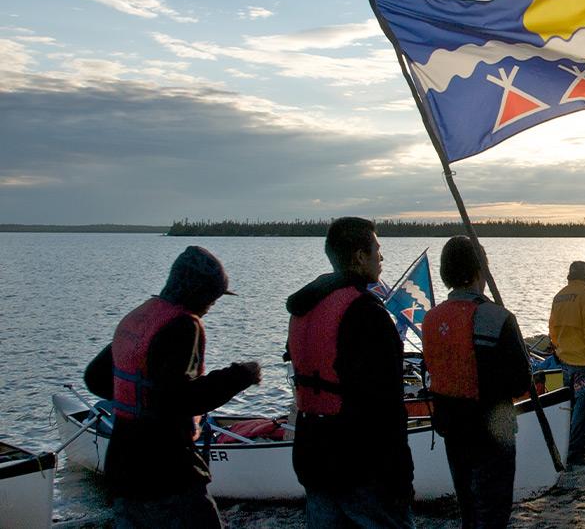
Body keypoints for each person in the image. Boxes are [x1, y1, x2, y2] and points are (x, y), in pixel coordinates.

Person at [83, 246, 261, 528]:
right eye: (211, 297)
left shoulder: (140, 317)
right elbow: (180, 399)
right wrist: (240, 376)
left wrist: (139, 402)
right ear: (196, 291)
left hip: (122, 462)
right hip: (165, 469)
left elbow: (95, 378)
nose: (211, 305)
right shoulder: (182, 326)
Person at [285, 217, 415, 528]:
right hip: (360, 464)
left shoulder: (305, 308)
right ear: (359, 256)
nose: (381, 259)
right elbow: (386, 405)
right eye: (377, 250)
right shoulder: (367, 314)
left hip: (313, 456)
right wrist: (401, 476)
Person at [422, 236, 532, 529]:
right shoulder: (499, 317)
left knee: (469, 508)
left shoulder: (431, 319)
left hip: (453, 428)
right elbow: (522, 380)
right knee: (493, 511)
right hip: (492, 431)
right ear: (480, 270)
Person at [548, 260, 585, 468]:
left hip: (563, 360)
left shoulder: (559, 296)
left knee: (568, 408)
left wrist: (558, 348)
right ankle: (574, 452)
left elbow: (552, 328)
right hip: (583, 362)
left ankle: (563, 447)